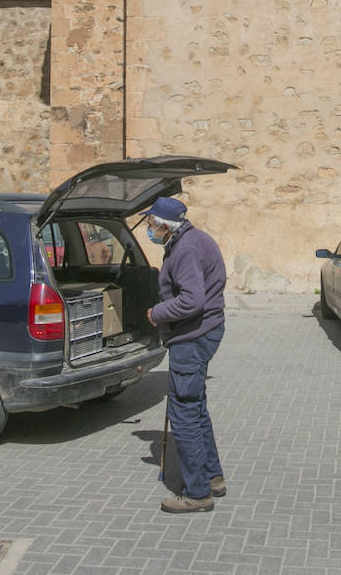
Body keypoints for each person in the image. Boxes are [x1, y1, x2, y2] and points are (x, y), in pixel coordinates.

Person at [144, 196, 227, 514]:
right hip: (200, 333)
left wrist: (157, 312)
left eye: (151, 223)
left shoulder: (186, 249)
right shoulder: (191, 240)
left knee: (184, 415)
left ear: (165, 225)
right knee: (195, 407)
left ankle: (196, 493)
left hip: (192, 337)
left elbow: (192, 300)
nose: (150, 229)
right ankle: (212, 477)